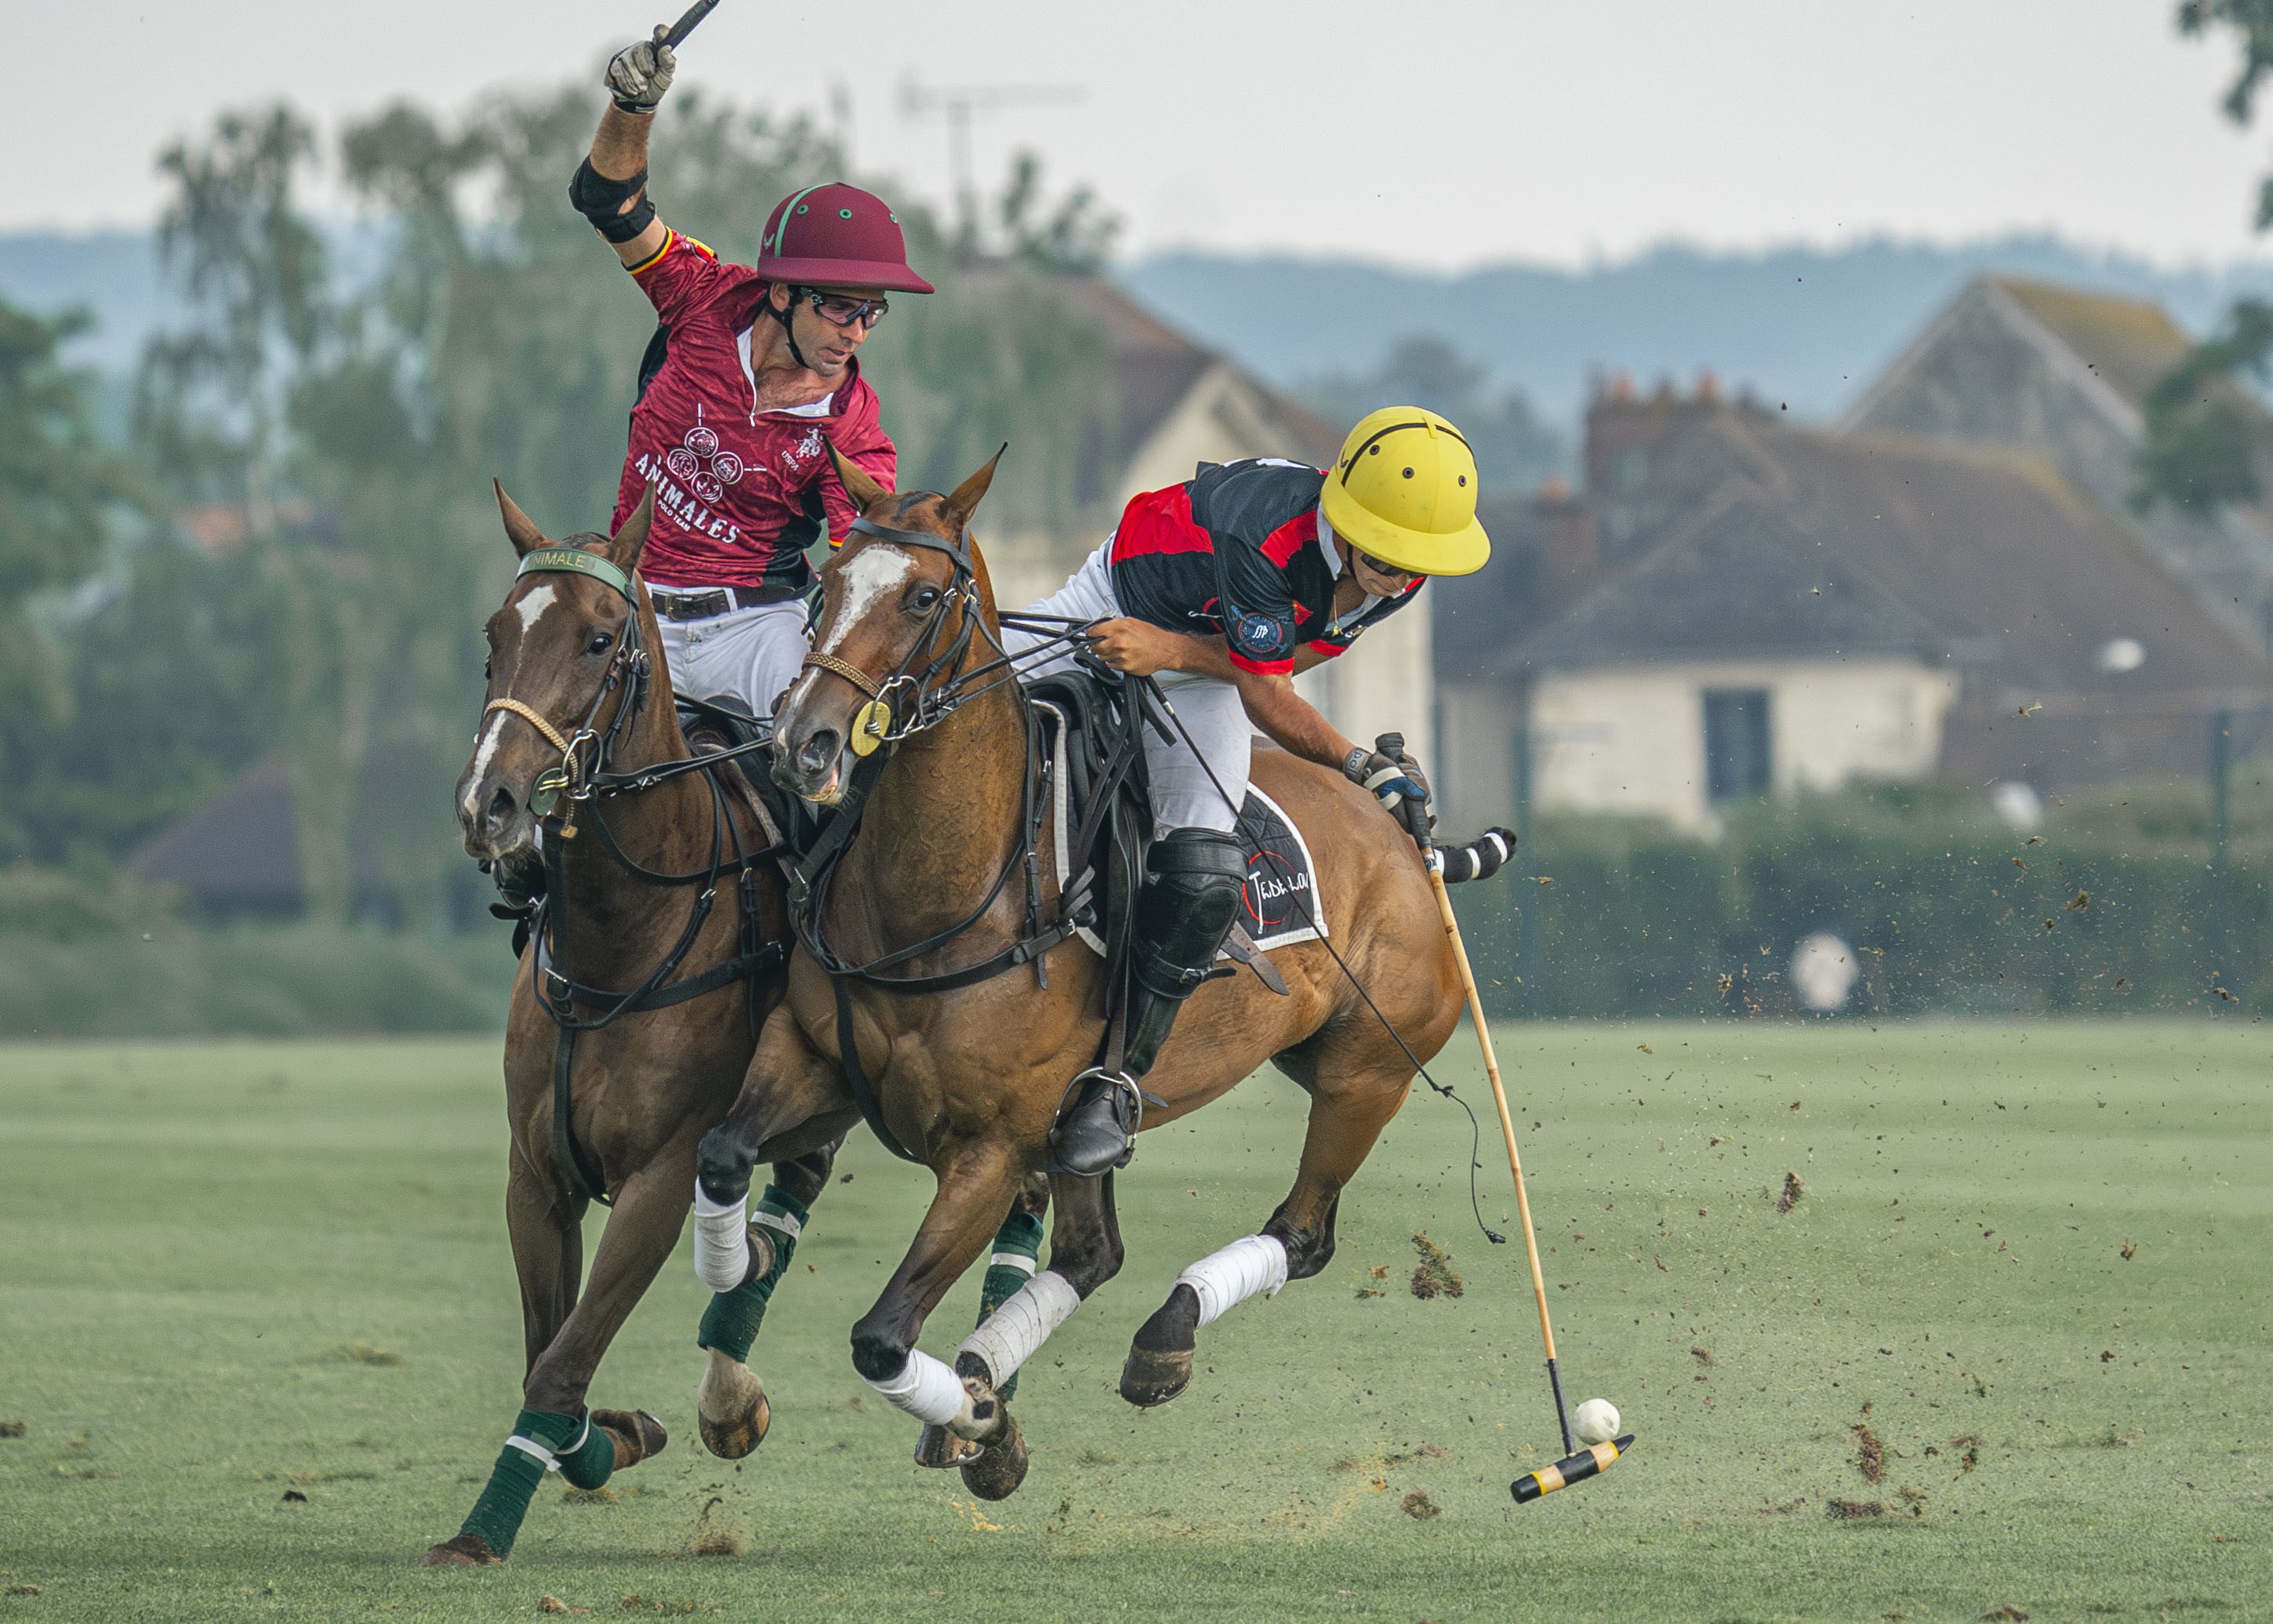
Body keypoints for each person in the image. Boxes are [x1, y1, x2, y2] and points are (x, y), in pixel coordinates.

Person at [1005, 407, 1492, 1175]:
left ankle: (1114, 1081)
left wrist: (1172, 654)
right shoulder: (1264, 533)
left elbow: (1281, 665)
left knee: (1205, 873)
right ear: (1344, 512)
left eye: (1413, 559)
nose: (1398, 574)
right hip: (1110, 608)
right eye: (1386, 552)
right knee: (938, 714)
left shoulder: (1394, 579)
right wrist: (1359, 764)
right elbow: (1268, 696)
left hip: (1203, 671)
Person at [568, 25, 935, 721]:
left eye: (871, 315)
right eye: (838, 308)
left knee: (824, 758)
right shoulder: (704, 295)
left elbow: (864, 560)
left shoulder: (851, 430)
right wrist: (630, 108)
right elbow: (609, 201)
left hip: (755, 630)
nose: (855, 333)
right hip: (630, 608)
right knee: (527, 737)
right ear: (780, 292)